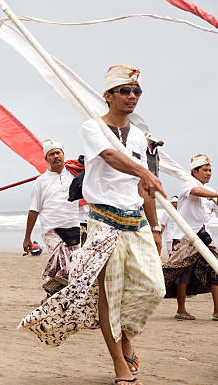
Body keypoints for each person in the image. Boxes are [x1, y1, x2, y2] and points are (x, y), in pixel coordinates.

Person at [19, 65, 166, 385]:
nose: (132, 96)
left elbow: (145, 189)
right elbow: (111, 157)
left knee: (154, 287)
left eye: (137, 91)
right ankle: (119, 365)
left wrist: (155, 228)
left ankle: (126, 335)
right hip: (105, 222)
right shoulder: (92, 127)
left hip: (136, 221)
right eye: (125, 91)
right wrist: (145, 172)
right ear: (108, 96)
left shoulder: (140, 136)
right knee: (110, 294)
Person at [23, 140, 80, 302]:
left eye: (58, 153)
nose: (56, 156)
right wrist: (27, 237)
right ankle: (51, 294)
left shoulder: (74, 175)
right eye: (51, 154)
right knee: (64, 264)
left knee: (74, 268)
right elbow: (34, 210)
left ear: (63, 154)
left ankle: (50, 297)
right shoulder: (41, 182)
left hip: (74, 227)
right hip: (52, 229)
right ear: (46, 159)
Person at [163, 154, 218, 321]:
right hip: (186, 237)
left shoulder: (212, 192)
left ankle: (217, 311)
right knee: (182, 272)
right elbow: (195, 191)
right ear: (195, 171)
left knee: (215, 271)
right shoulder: (188, 184)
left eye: (210, 170)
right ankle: (181, 309)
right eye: (205, 170)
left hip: (204, 236)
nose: (209, 173)